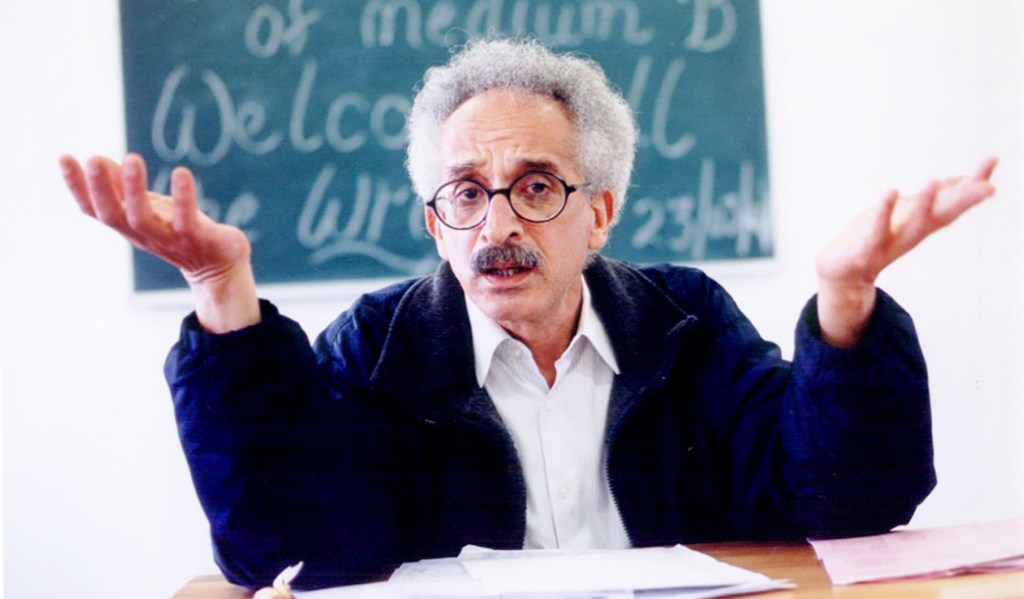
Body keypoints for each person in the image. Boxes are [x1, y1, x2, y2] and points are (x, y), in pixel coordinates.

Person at [59, 38, 997, 591]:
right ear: (435, 223)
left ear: (600, 212)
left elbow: (848, 496)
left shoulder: (684, 321)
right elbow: (272, 542)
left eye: (537, 186)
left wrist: (844, 302)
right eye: (466, 193)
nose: (497, 225)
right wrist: (220, 287)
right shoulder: (378, 348)